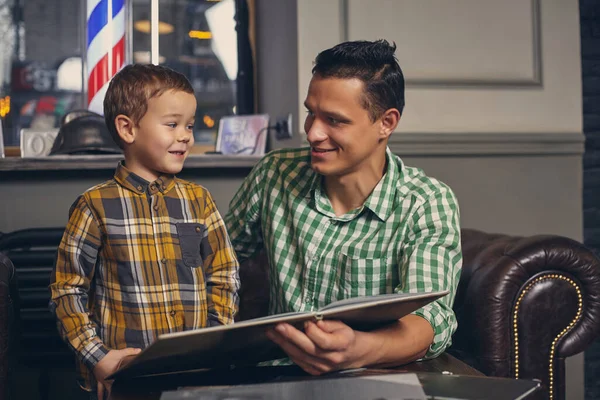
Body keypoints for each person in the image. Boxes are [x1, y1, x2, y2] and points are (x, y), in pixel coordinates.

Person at [224, 39, 462, 375]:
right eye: (311, 113)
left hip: (370, 378)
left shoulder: (426, 202)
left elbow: (431, 317)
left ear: (387, 123)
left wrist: (360, 350)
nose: (313, 133)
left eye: (335, 120)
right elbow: (216, 259)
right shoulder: (275, 173)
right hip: (273, 374)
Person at [49, 64, 240, 399]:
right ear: (128, 128)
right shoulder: (94, 205)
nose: (186, 136)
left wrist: (214, 341)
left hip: (194, 373)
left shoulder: (200, 200)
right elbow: (67, 291)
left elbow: (224, 274)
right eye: (172, 124)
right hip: (126, 377)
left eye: (190, 126)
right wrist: (99, 357)